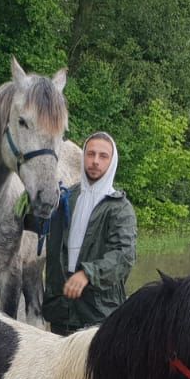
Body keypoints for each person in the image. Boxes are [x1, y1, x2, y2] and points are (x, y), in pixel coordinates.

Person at [40, 132, 137, 335]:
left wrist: (87, 274)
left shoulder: (119, 208)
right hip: (60, 309)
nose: (95, 161)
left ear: (112, 162)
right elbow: (37, 226)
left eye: (103, 156)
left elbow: (123, 256)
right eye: (90, 154)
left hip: (97, 312)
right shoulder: (64, 197)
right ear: (83, 156)